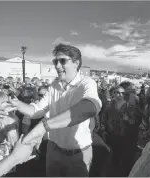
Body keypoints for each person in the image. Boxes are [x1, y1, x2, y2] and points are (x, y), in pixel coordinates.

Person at [9, 43, 102, 177]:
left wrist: (43, 127)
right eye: (55, 61)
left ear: (76, 63)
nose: (57, 66)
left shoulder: (86, 83)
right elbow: (37, 110)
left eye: (62, 61)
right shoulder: (54, 85)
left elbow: (90, 107)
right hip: (53, 150)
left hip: (77, 154)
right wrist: (17, 104)